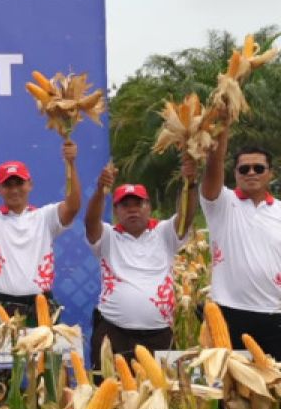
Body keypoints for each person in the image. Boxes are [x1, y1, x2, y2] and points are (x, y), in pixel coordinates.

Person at [0, 128, 81, 382]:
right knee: (3, 382)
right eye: (8, 184)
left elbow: (73, 206)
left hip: (42, 307)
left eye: (19, 182)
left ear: (30, 184)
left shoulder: (45, 217)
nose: (14, 189)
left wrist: (70, 163)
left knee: (48, 381)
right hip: (2, 310)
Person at [83, 157, 197, 359]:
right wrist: (101, 191)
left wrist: (190, 182)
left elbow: (186, 216)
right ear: (116, 211)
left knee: (162, 390)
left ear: (149, 207)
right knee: (108, 388)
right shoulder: (108, 236)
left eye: (138, 203)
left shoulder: (164, 233)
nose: (132, 209)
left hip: (159, 334)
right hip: (112, 332)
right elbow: (91, 222)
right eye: (125, 205)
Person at [200, 131, 281, 357]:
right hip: (228, 315)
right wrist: (222, 130)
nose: (251, 172)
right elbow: (214, 166)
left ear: (270, 173)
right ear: (234, 173)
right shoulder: (221, 203)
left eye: (258, 168)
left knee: (273, 389)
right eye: (244, 169)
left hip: (274, 316)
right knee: (227, 389)